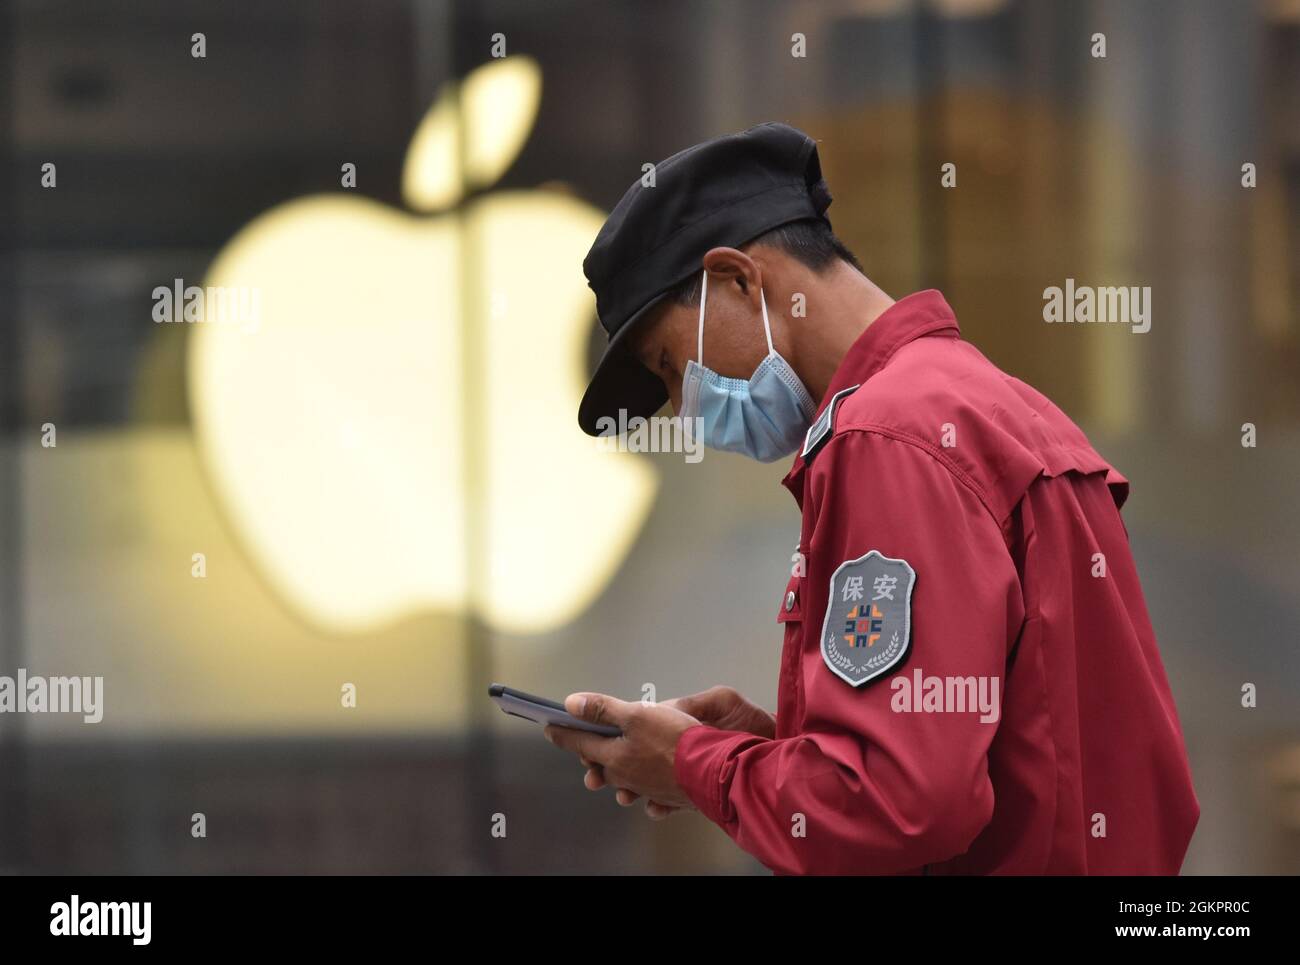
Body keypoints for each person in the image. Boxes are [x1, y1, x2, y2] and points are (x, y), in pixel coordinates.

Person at [544, 122, 1200, 874]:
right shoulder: (985, 403)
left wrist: (696, 763)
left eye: (670, 366)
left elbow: (902, 802)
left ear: (738, 278)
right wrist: (758, 750)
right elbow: (996, 744)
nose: (683, 408)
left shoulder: (884, 437)